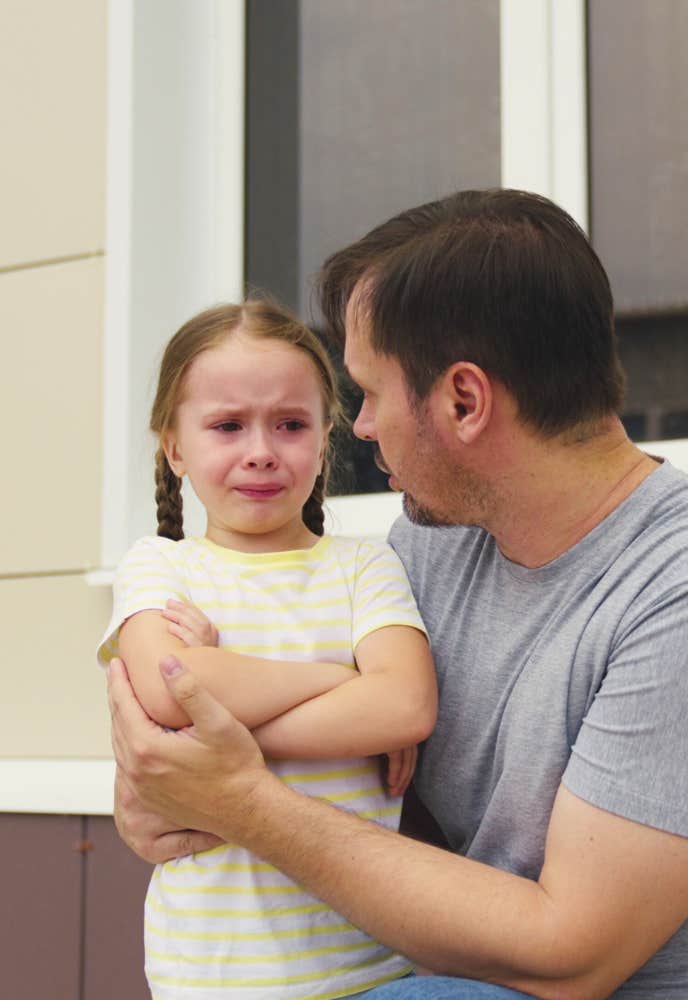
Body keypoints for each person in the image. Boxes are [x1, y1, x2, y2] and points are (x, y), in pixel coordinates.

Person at [108, 190, 688, 999]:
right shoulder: (432, 546)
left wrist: (244, 801)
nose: (357, 429)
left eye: (372, 394)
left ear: (463, 401)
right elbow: (371, 809)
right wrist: (172, 796)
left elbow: (571, 957)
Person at [97, 298, 437, 1000]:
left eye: (290, 424)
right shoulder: (160, 567)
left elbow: (404, 702)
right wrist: (343, 681)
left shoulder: (364, 568)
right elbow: (166, 687)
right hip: (211, 974)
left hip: (368, 966)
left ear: (323, 439)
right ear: (175, 447)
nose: (261, 450)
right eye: (227, 425)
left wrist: (218, 716)